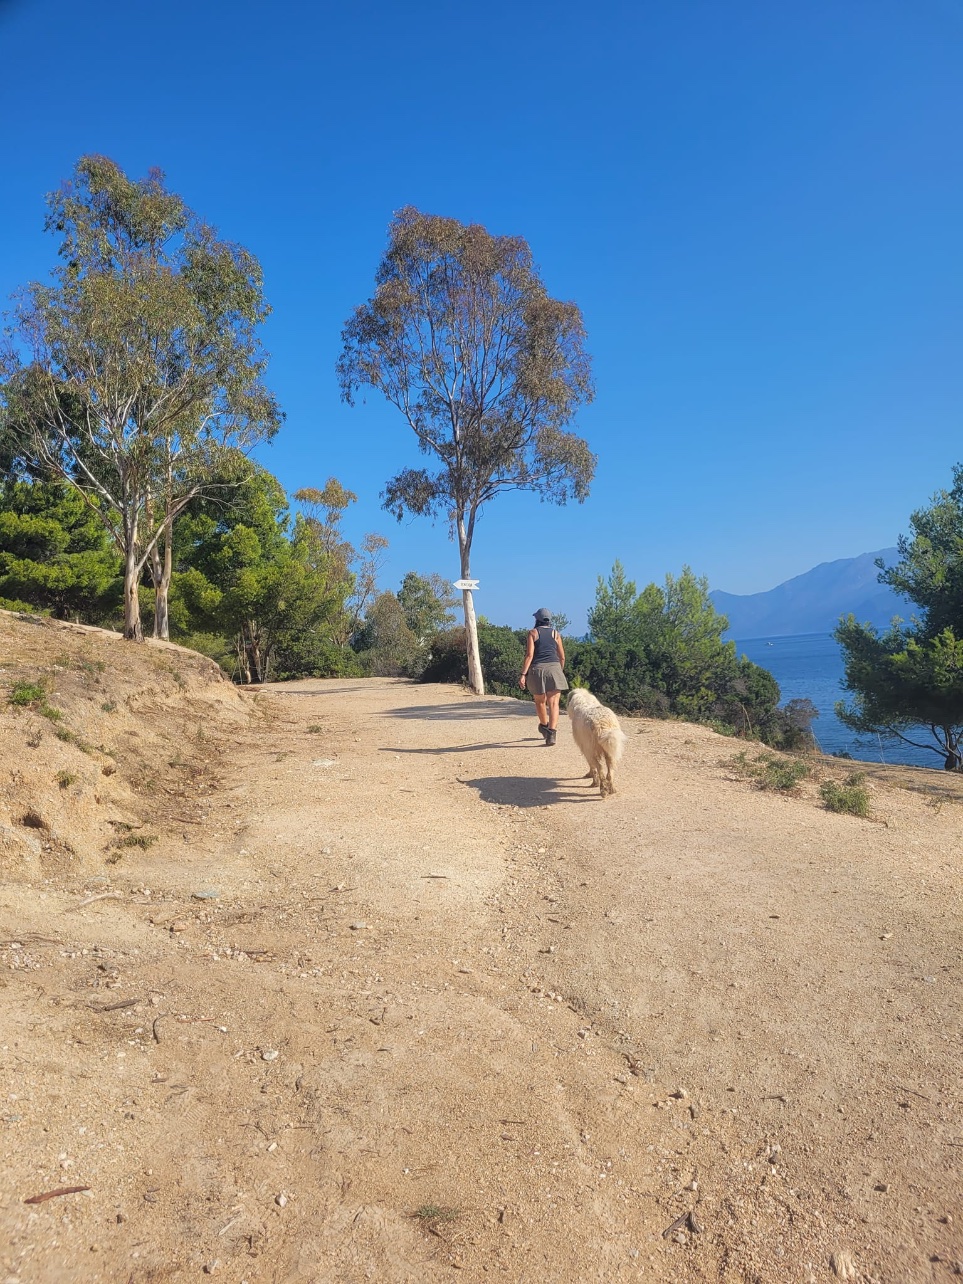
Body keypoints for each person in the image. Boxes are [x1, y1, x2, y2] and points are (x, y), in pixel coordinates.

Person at [519, 608, 568, 745]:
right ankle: (552, 733)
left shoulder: (533, 633)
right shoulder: (555, 634)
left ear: (537, 619)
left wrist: (523, 674)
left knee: (540, 701)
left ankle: (544, 726)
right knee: (554, 703)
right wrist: (559, 671)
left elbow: (529, 655)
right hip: (554, 668)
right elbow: (562, 657)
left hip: (538, 669)